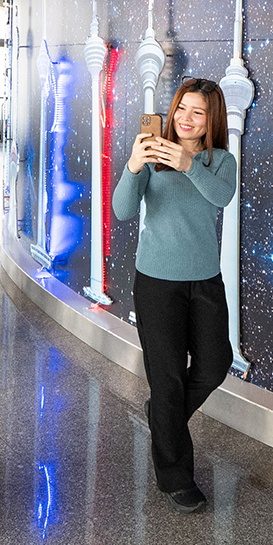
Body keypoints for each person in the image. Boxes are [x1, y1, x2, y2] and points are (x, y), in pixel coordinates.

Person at [112, 77, 237, 513]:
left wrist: (189, 165)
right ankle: (175, 477)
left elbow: (221, 198)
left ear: (210, 120)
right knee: (166, 379)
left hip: (204, 281)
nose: (185, 118)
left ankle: (163, 419)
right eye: (181, 108)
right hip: (157, 282)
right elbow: (123, 211)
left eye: (197, 112)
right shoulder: (150, 156)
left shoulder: (221, 161)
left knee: (215, 363)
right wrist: (132, 165)